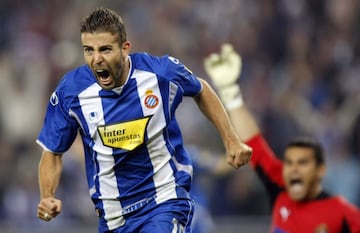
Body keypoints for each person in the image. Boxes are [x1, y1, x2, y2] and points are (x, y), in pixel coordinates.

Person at [35, 7, 252, 233]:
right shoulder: (71, 91)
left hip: (163, 202)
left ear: (125, 48)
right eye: (88, 50)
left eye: (105, 49)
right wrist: (47, 196)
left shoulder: (159, 73)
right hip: (112, 217)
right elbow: (52, 151)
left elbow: (200, 89)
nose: (96, 59)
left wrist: (231, 140)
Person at [204, 44, 360, 232]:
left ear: (320, 171)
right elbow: (253, 143)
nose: (294, 170)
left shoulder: (342, 214)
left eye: (303, 163)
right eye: (290, 163)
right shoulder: (282, 189)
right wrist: (230, 94)